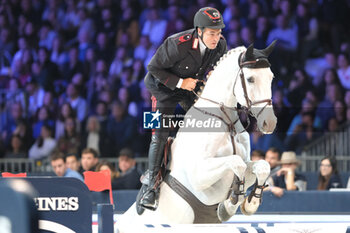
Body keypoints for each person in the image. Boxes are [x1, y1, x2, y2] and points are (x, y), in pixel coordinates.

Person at [140, 7, 227, 209]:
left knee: (207, 123)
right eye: (212, 33)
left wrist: (211, 77)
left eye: (219, 32)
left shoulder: (221, 45)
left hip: (190, 87)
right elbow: (152, 68)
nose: (216, 38)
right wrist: (180, 83)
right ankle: (151, 188)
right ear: (199, 31)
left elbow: (215, 68)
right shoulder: (177, 43)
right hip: (161, 89)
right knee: (159, 134)